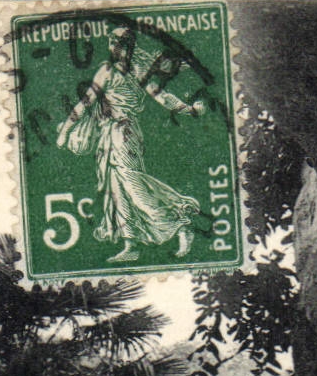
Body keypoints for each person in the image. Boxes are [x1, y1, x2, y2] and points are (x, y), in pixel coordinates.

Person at [55, 25, 206, 263]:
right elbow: (86, 102)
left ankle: (179, 224)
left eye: (117, 42)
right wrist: (65, 130)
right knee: (116, 190)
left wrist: (190, 110)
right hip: (109, 134)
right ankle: (131, 243)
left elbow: (162, 97)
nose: (113, 46)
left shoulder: (136, 71)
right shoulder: (107, 71)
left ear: (127, 45)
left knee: (132, 184)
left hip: (124, 133)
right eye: (111, 41)